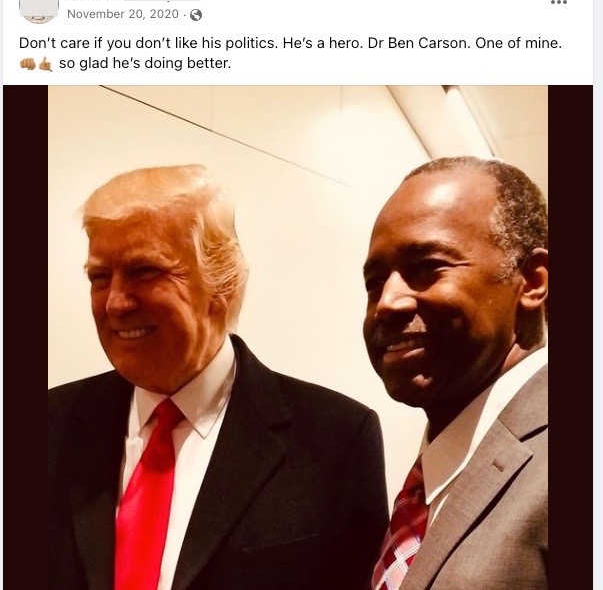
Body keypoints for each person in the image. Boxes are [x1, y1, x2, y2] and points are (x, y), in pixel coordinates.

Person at [48, 164, 389, 590]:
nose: (116, 302)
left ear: (222, 281)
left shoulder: (336, 440)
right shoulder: (48, 425)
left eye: (144, 271)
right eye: (100, 277)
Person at [363, 157, 548, 589]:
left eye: (427, 267)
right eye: (374, 283)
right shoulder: (427, 479)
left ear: (532, 282)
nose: (387, 302)